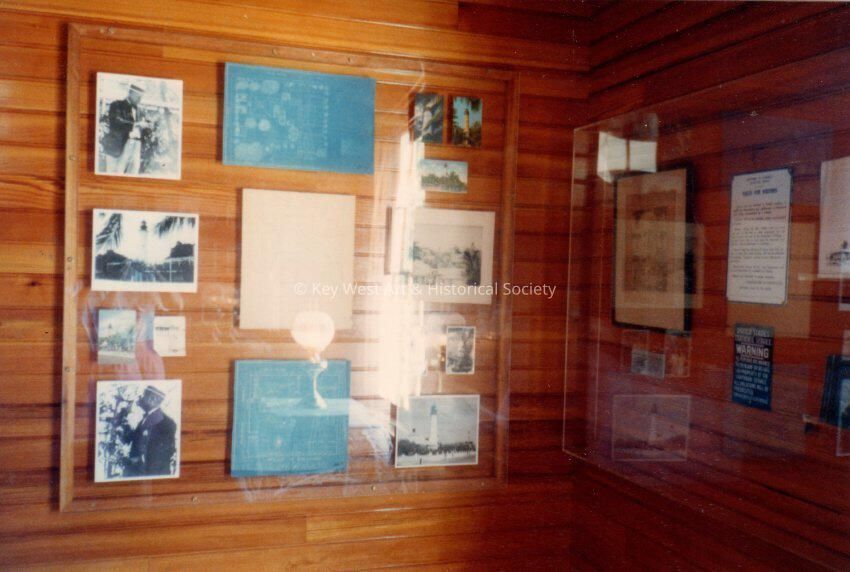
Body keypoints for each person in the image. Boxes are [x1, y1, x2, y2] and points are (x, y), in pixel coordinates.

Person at [124, 385, 176, 477]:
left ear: (152, 399)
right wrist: (126, 417)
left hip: (150, 474)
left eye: (143, 396)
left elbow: (161, 455)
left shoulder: (166, 423)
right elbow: (130, 439)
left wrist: (137, 462)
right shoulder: (144, 419)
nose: (140, 398)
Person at [101, 83, 149, 175]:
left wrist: (148, 126)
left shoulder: (141, 110)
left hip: (136, 145)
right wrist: (137, 124)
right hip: (119, 144)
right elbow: (116, 122)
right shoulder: (116, 105)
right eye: (138, 97)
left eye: (141, 97)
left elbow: (146, 127)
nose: (140, 100)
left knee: (133, 172)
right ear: (130, 93)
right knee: (114, 172)